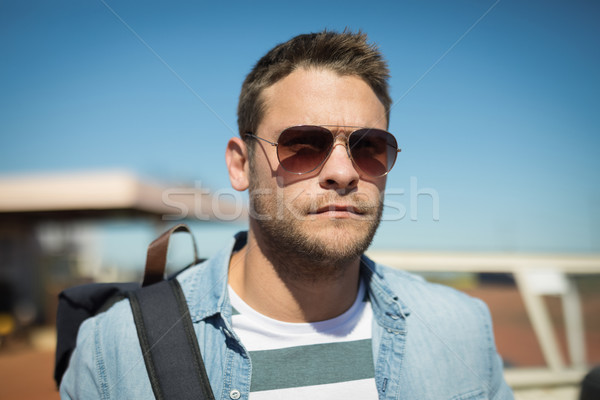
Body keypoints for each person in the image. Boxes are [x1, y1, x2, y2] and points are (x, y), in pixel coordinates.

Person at [60, 30, 513, 399]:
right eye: (303, 144)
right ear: (240, 165)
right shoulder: (114, 350)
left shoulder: (461, 329)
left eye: (369, 146)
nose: (342, 172)